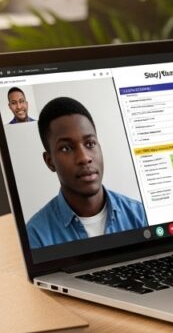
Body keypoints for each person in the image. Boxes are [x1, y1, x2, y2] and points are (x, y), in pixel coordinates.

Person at [26, 96, 147, 249]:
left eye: (90, 144)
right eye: (66, 148)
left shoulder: (140, 215)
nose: (84, 158)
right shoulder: (36, 235)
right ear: (50, 162)